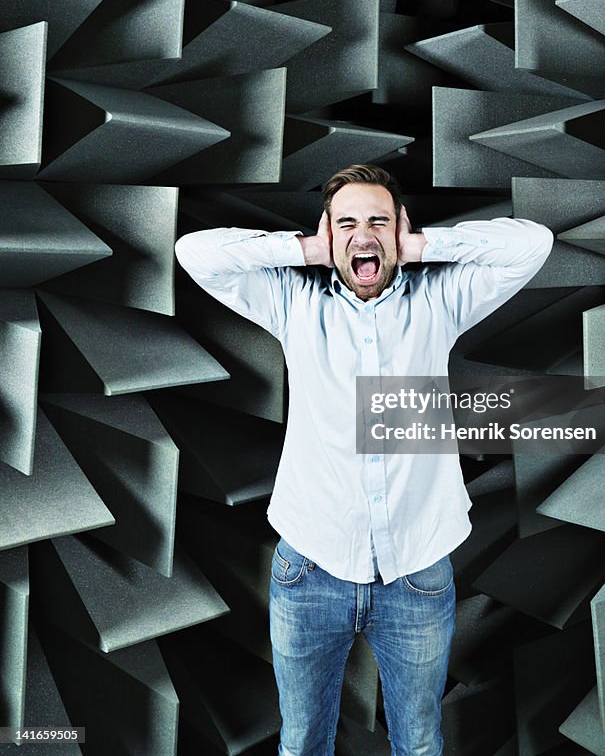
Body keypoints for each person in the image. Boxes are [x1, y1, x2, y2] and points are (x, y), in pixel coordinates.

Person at [174, 164, 553, 756]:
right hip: (309, 572)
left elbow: (534, 244)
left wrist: (427, 244)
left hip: (418, 574)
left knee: (420, 744)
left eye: (379, 220)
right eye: (346, 222)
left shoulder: (441, 302)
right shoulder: (291, 303)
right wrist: (303, 249)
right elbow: (195, 252)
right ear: (328, 233)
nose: (363, 235)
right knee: (302, 745)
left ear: (399, 227)